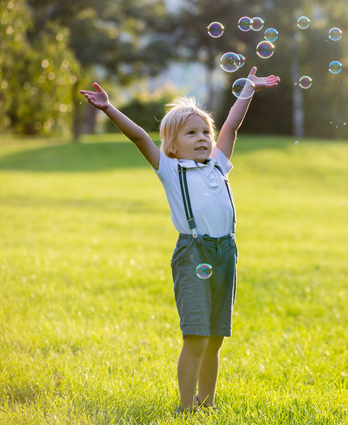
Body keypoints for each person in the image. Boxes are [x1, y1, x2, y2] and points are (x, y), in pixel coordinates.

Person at [80, 67, 280, 414]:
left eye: (205, 131)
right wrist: (109, 108)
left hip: (225, 253)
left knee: (216, 338)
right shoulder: (170, 169)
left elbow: (231, 126)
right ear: (171, 145)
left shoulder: (218, 164)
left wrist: (248, 89)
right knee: (196, 337)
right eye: (192, 133)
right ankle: (185, 409)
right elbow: (141, 137)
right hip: (193, 253)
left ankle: (207, 404)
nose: (203, 138)